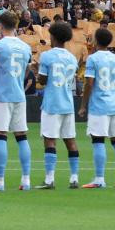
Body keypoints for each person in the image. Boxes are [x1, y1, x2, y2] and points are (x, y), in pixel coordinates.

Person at [0, 10, 34, 191]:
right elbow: (27, 70)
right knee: (21, 136)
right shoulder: (25, 47)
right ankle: (26, 180)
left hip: (2, 95)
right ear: (16, 25)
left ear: (0, 25)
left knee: (0, 134)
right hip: (19, 95)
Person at [81, 26, 115, 189]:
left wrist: (83, 105)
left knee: (98, 140)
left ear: (96, 40)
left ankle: (99, 179)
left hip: (99, 105)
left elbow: (89, 83)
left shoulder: (93, 59)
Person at [36, 21, 82, 189]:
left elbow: (42, 80)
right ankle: (74, 178)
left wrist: (37, 69)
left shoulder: (46, 56)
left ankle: (49, 179)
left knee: (50, 140)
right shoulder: (72, 58)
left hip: (52, 104)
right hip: (68, 104)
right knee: (70, 140)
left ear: (53, 36)